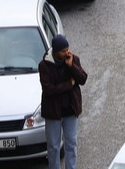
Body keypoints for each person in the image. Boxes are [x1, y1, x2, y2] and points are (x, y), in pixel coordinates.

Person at [40, 34, 87, 169]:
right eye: (63, 51)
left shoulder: (73, 59)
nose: (67, 53)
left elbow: (82, 79)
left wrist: (71, 66)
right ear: (55, 51)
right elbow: (49, 90)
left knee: (71, 144)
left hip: (71, 111)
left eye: (67, 49)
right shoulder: (44, 65)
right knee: (53, 147)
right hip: (53, 112)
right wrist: (69, 84)